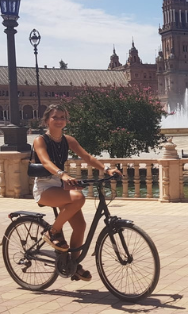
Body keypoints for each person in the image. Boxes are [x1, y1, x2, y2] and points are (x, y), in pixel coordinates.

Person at [33, 104, 122, 282]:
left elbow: (87, 157)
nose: (59, 120)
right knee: (78, 197)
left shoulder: (68, 140)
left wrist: (106, 169)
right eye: (55, 117)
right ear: (46, 120)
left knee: (80, 226)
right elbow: (45, 161)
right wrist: (63, 174)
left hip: (60, 186)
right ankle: (53, 231)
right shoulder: (40, 140)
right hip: (44, 187)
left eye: (62, 117)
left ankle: (72, 265)